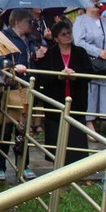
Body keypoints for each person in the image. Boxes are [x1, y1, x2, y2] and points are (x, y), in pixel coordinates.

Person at [0, 9, 46, 181]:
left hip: (26, 89)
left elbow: (31, 61)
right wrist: (13, 67)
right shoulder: (5, 38)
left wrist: (36, 56)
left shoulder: (29, 40)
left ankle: (24, 165)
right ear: (17, 22)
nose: (31, 25)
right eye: (29, 21)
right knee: (5, 128)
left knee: (24, 129)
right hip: (10, 88)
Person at [36, 21, 92, 165]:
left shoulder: (80, 52)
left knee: (76, 130)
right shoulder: (51, 54)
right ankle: (57, 160)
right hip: (56, 100)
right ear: (56, 38)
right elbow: (43, 76)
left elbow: (89, 73)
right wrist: (58, 76)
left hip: (77, 99)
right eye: (63, 34)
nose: (67, 36)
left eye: (69, 33)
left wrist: (76, 75)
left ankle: (78, 163)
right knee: (56, 130)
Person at [73, 0, 106, 133]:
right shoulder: (80, 21)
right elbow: (78, 42)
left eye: (98, 1)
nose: (96, 4)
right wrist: (97, 52)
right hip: (90, 62)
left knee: (104, 90)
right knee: (91, 90)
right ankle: (88, 122)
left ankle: (104, 121)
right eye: (92, 1)